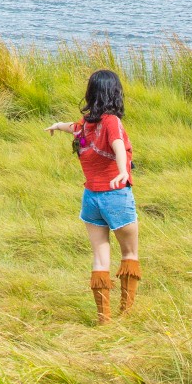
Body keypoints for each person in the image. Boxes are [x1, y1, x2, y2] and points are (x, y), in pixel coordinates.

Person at [46, 68, 140, 320]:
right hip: (115, 196)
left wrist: (56, 125)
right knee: (129, 253)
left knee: (100, 257)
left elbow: (71, 127)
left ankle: (104, 318)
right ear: (115, 93)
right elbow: (118, 146)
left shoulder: (85, 127)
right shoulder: (112, 122)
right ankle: (126, 312)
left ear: (91, 93)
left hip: (91, 199)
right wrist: (122, 171)